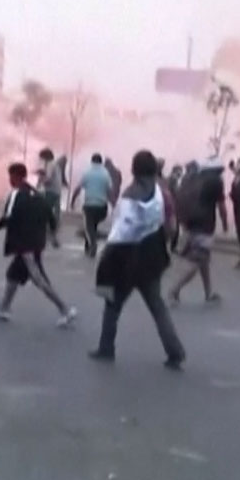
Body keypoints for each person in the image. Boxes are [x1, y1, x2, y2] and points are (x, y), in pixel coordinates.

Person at [90, 150, 184, 369]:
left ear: (134, 169)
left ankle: (106, 348)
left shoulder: (129, 195)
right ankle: (175, 352)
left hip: (125, 259)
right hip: (153, 258)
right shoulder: (164, 194)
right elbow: (171, 228)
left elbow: (119, 231)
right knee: (157, 307)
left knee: (112, 305)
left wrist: (106, 257)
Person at [0, 162, 77, 326]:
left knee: (39, 279)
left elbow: (8, 217)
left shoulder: (16, 194)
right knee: (13, 275)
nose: (9, 180)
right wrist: (52, 235)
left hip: (25, 246)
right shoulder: (36, 194)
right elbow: (51, 216)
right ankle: (3, 308)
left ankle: (65, 309)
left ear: (16, 176)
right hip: (35, 243)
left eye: (10, 176)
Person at [169, 158, 227, 305]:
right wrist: (225, 224)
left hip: (189, 223)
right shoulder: (215, 182)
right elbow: (221, 205)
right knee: (196, 261)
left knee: (203, 260)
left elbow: (178, 199)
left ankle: (209, 293)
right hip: (205, 225)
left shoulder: (189, 179)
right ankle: (174, 290)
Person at [71, 153, 114, 258]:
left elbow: (78, 188)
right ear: (101, 162)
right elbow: (109, 191)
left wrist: (73, 201)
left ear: (92, 161)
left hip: (89, 205)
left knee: (89, 226)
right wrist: (113, 204)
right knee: (93, 226)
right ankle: (88, 246)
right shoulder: (106, 174)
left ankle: (93, 245)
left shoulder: (87, 172)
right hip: (102, 207)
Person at [37, 148, 65, 247]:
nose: (41, 159)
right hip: (57, 191)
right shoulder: (55, 164)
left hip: (51, 191)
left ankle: (48, 235)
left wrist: (41, 181)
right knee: (51, 213)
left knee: (44, 212)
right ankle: (52, 235)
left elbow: (48, 178)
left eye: (42, 157)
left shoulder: (50, 165)